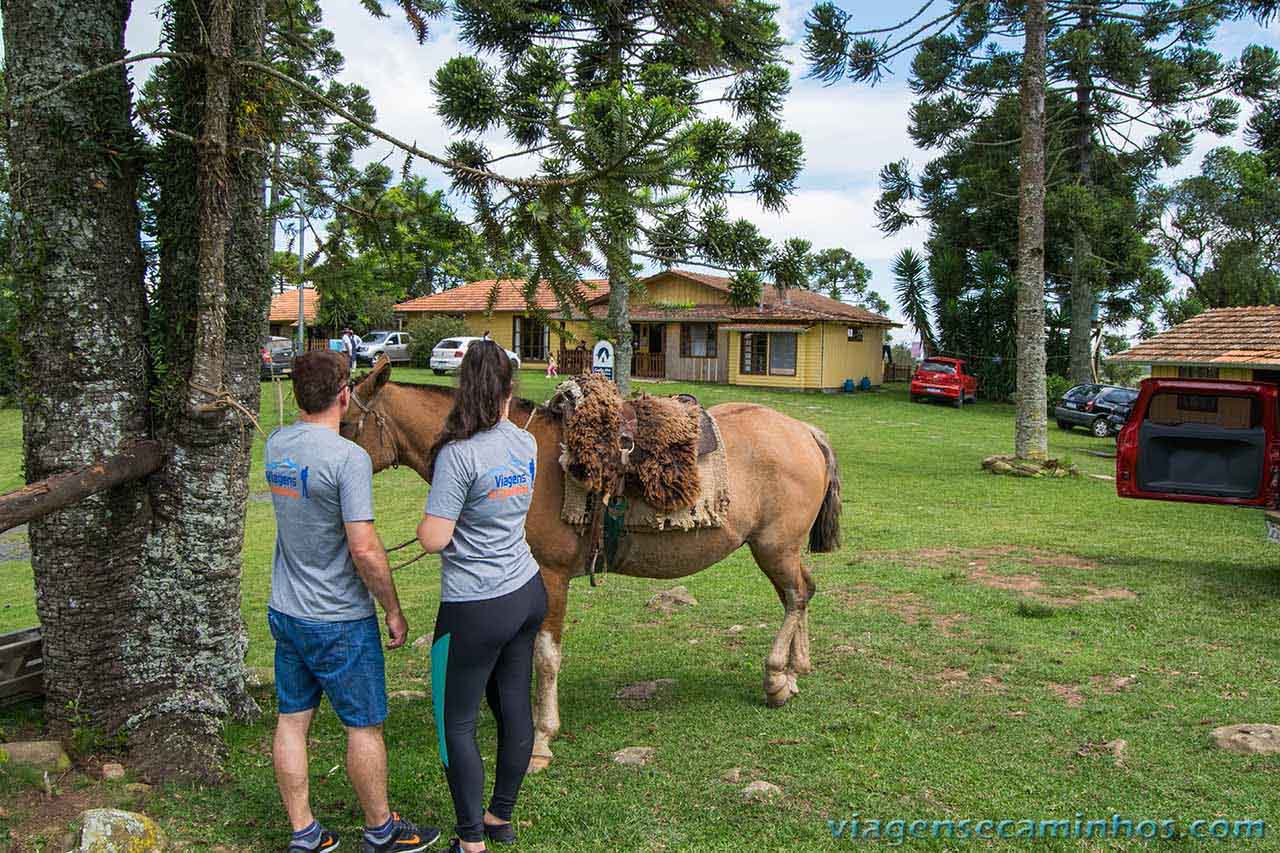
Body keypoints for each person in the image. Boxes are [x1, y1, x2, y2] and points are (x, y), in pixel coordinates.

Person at [265, 350, 440, 853]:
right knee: (364, 726)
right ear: (344, 395)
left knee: (292, 721)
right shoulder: (348, 458)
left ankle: (304, 833)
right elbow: (364, 547)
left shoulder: (277, 445)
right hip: (339, 617)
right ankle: (381, 831)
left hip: (286, 609)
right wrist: (393, 607)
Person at [416, 341, 548, 853]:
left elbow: (434, 537)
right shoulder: (524, 443)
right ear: (509, 392)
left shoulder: (459, 454)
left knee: (457, 722)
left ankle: (471, 840)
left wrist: (433, 521)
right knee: (515, 706)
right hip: (525, 591)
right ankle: (499, 817)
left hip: (476, 606)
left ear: (463, 389)